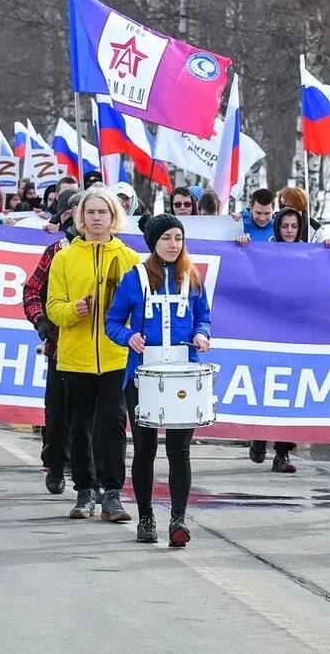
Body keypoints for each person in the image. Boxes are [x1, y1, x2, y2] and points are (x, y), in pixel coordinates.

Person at [106, 214, 211, 547]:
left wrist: (201, 335)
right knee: (146, 449)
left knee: (180, 451)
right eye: (166, 238)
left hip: (182, 375)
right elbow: (112, 322)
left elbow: (203, 318)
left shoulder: (191, 277)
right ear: (154, 242)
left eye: (178, 238)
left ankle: (178, 520)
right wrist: (128, 338)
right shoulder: (134, 278)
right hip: (143, 376)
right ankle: (146, 517)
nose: (173, 244)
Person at [46, 186, 140, 521]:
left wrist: (128, 332)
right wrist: (75, 310)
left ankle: (112, 493)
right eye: (91, 212)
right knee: (80, 426)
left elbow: (139, 310)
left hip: (116, 358)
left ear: (115, 216)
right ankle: (85, 490)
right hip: (75, 357)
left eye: (103, 212)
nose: (96, 218)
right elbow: (53, 309)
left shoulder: (129, 259)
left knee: (113, 424)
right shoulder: (65, 257)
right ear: (80, 218)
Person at [22, 189, 83, 494]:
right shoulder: (56, 251)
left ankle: (89, 474)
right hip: (60, 345)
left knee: (91, 413)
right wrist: (41, 321)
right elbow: (32, 290)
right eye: (72, 213)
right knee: (57, 411)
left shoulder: (113, 251)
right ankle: (56, 464)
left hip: (97, 347)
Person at [246, 206, 306, 473]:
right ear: (277, 227)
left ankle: (282, 454)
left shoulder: (309, 253)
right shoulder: (264, 250)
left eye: (294, 226)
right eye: (285, 226)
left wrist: (329, 249)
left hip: (295, 331)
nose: (290, 231)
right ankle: (258, 436)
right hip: (266, 328)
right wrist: (242, 246)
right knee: (263, 384)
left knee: (289, 390)